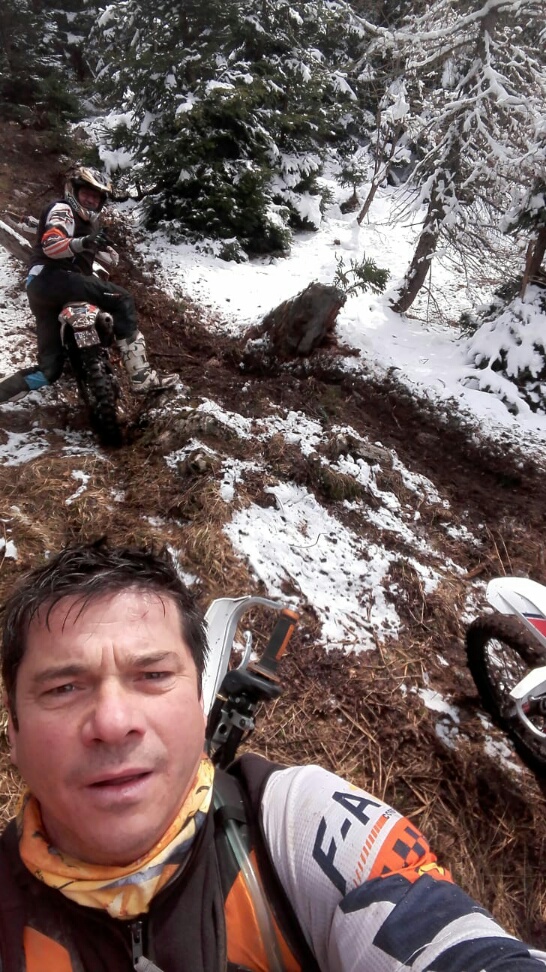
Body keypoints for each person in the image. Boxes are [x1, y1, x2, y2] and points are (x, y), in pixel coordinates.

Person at [0, 541, 545, 972]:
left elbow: (442, 936)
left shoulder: (298, 827)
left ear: (199, 702)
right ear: (14, 730)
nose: (114, 722)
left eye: (153, 675)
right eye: (64, 687)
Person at [0, 166, 177, 404]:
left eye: (97, 197)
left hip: (41, 291)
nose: (92, 200)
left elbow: (87, 248)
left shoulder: (80, 221)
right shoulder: (63, 210)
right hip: (55, 278)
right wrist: (84, 242)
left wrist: (98, 246)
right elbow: (52, 245)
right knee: (122, 298)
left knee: (48, 371)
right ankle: (141, 377)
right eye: (87, 193)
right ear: (73, 191)